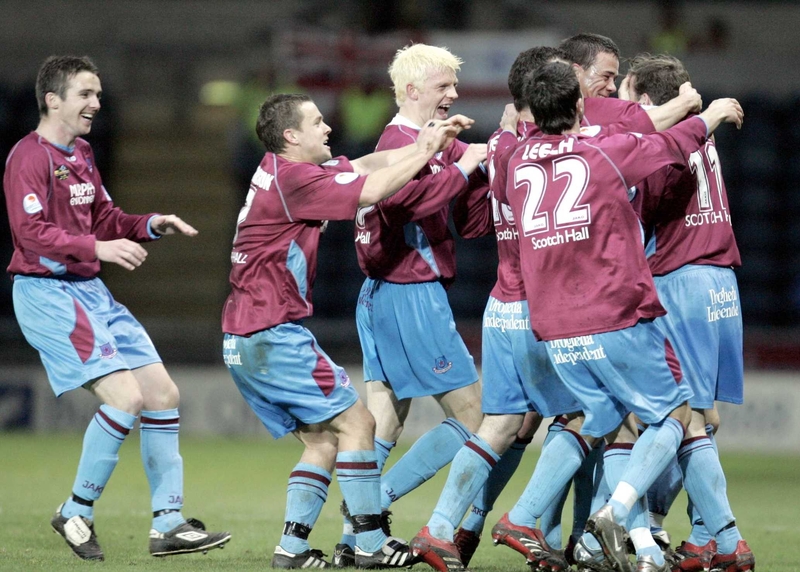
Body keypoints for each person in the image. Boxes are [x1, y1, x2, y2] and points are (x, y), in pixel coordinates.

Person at [492, 62, 742, 572]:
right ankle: (617, 512)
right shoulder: (602, 150)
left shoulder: (514, 159)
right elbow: (671, 142)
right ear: (580, 104)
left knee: (606, 424)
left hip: (553, 326)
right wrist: (710, 113)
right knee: (676, 415)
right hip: (611, 313)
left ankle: (547, 523)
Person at [221, 93, 475, 569]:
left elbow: (363, 165)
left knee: (322, 441)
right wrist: (429, 153)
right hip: (273, 332)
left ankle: (292, 549)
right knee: (359, 425)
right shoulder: (296, 180)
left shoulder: (281, 170)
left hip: (242, 336)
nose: (328, 128)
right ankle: (370, 544)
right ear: (291, 135)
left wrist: (427, 144)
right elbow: (372, 190)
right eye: (317, 122)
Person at [3, 55, 231, 561]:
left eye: (99, 95)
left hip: (89, 290)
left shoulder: (82, 152)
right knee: (125, 398)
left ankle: (168, 523)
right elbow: (30, 234)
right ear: (53, 99)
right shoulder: (28, 157)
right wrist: (98, 249)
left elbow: (104, 217)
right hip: (48, 293)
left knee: (162, 393)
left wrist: (151, 224)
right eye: (86, 94)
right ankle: (76, 511)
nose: (96, 103)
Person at [334, 42, 489, 567]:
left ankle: (356, 541)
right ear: (411, 90)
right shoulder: (401, 143)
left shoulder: (427, 140)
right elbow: (403, 205)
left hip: (384, 292)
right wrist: (465, 168)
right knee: (475, 417)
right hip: (410, 291)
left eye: (454, 85)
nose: (454, 94)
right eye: (444, 85)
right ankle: (370, 509)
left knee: (384, 424)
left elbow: (468, 187)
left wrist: (481, 161)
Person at [622, 53, 754, 572]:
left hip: (681, 282)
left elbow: (641, 207)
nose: (622, 106)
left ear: (647, 99)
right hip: (721, 283)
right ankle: (700, 538)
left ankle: (726, 541)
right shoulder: (702, 135)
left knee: (681, 418)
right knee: (705, 417)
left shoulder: (663, 143)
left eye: (627, 95)